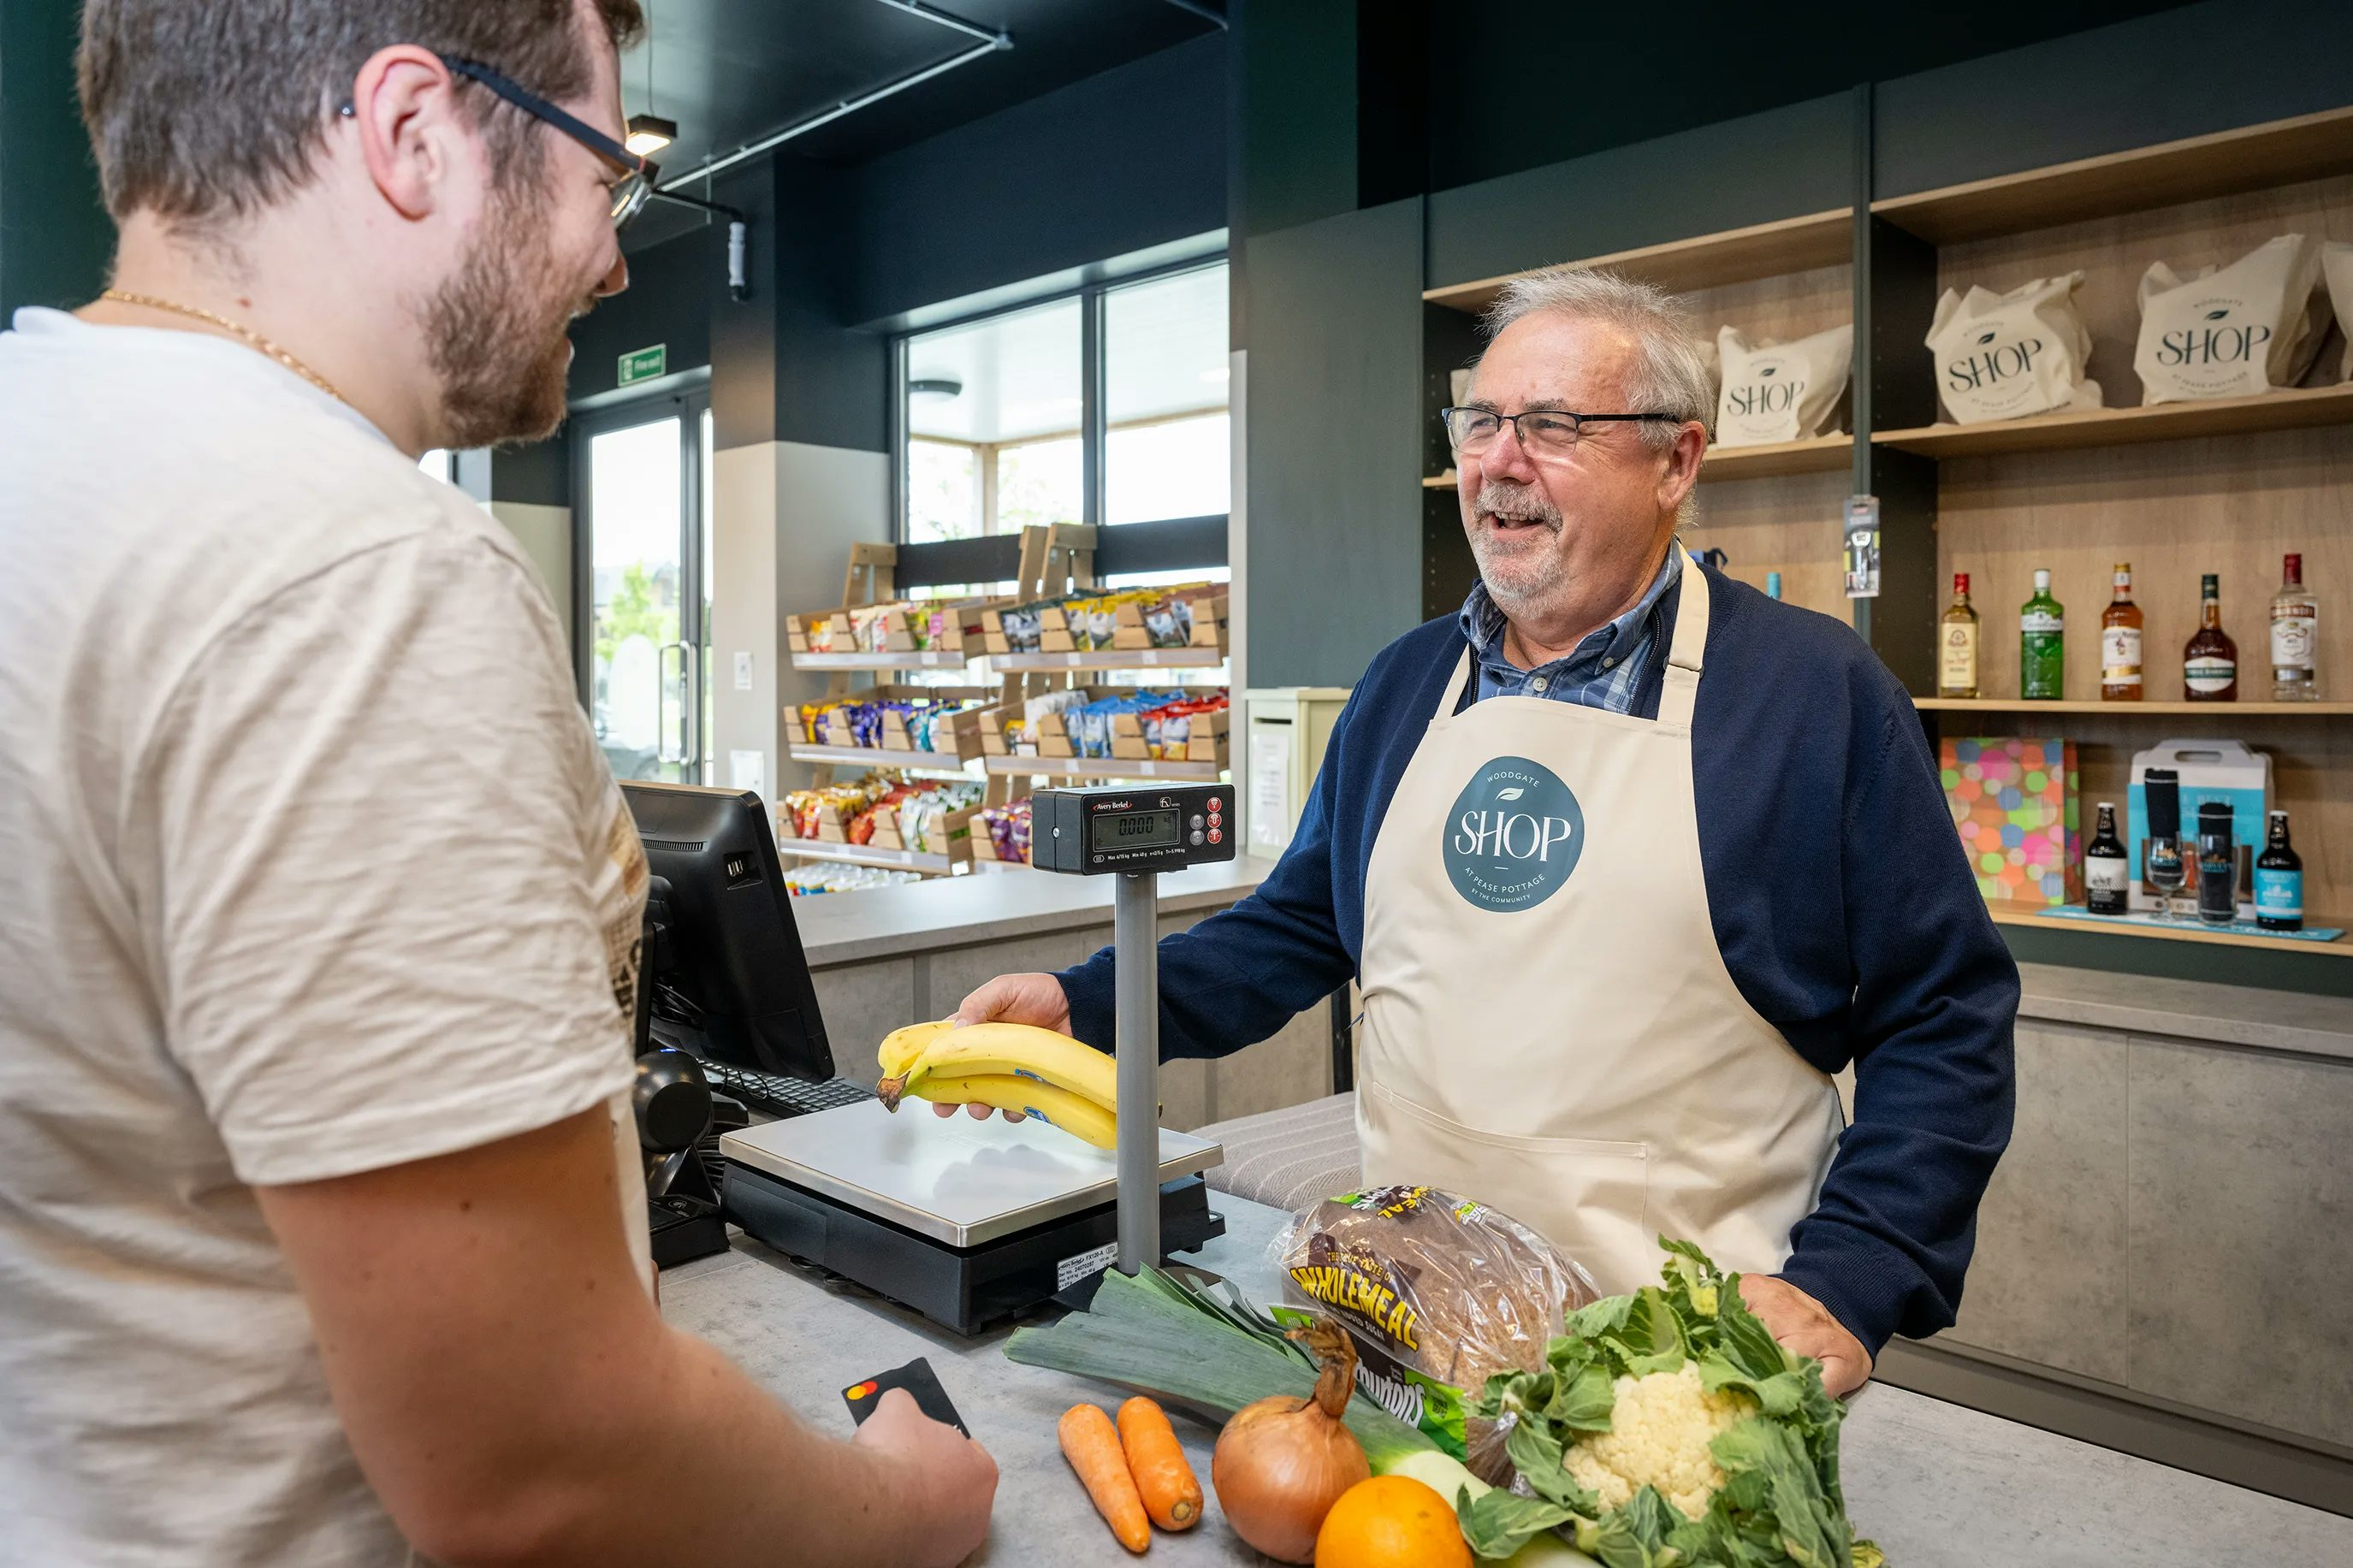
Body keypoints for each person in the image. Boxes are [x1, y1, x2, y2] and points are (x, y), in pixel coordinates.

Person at [0, 3, 994, 1564]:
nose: (612, 256)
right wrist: (902, 1505)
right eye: (606, 171)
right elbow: (545, 1465)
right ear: (415, 133)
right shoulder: (351, 572)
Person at [945, 267, 2018, 1399]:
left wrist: (1855, 1273)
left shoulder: (1814, 695)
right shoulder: (1407, 682)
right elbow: (1302, 923)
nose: (1497, 461)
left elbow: (1944, 1015)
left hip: (1686, 1372)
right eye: (1480, 423)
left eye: (1552, 426)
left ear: (1675, 461)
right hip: (1403, 1337)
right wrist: (1089, 1004)